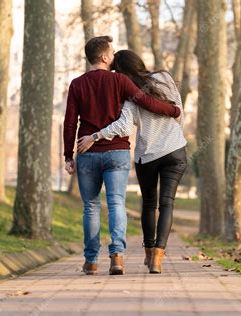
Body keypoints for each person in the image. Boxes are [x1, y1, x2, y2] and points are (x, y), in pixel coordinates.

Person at [63, 36, 181, 276]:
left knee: (91, 207)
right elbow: (147, 102)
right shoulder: (120, 81)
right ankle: (117, 257)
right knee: (117, 203)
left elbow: (69, 122)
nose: (114, 57)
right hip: (117, 151)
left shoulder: (77, 84)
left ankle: (91, 261)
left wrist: (68, 155)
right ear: (105, 57)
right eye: (112, 53)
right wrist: (173, 110)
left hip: (87, 152)